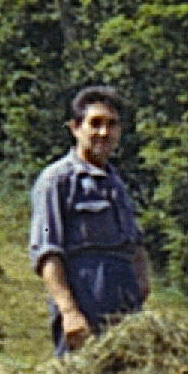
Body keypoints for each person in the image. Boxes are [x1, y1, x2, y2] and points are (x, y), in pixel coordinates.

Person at [28, 84, 150, 354]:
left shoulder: (116, 183)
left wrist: (142, 286)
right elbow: (47, 252)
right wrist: (69, 312)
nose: (104, 133)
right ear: (75, 128)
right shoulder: (57, 180)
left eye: (112, 125)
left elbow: (135, 244)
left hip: (125, 313)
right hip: (85, 309)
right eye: (95, 124)